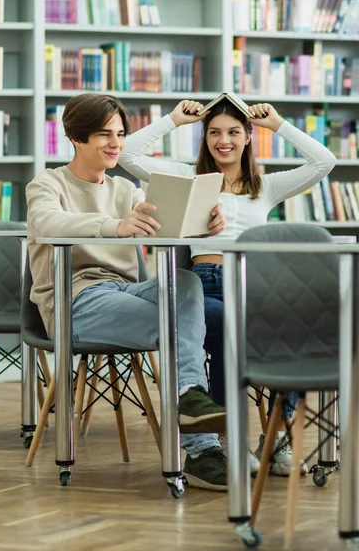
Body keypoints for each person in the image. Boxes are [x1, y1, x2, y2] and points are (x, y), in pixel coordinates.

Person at [118, 98, 336, 477]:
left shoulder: (265, 187)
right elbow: (128, 155)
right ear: (205, 138)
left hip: (256, 285)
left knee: (294, 328)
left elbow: (324, 162)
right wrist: (173, 120)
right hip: (206, 286)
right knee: (227, 331)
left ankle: (279, 439)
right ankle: (225, 439)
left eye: (234, 132)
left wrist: (278, 124)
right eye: (215, 133)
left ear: (248, 136)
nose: (224, 141)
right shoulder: (188, 177)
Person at [26, 92, 230, 493]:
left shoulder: (127, 188)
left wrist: (203, 223)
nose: (115, 143)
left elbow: (163, 223)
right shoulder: (47, 184)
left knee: (186, 283)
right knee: (175, 321)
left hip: (127, 290)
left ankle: (189, 395)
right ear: (76, 137)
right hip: (77, 300)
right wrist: (114, 227)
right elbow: (48, 222)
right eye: (104, 134)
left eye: (120, 133)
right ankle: (203, 448)